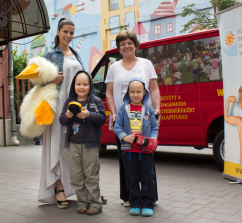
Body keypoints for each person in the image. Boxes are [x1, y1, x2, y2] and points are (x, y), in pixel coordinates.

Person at [105, 30, 160, 207]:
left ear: (135, 45)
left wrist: (157, 108)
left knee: (146, 158)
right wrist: (114, 113)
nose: (126, 46)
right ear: (119, 48)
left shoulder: (145, 64)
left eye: (129, 43)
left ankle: (149, 196)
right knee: (126, 159)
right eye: (122, 44)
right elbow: (109, 93)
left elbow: (153, 88)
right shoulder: (114, 67)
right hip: (123, 120)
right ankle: (129, 196)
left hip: (144, 119)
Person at [38, 18, 84, 208]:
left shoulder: (76, 54)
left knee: (72, 148)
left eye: (72, 32)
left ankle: (77, 187)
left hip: (74, 106)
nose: (68, 36)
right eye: (65, 31)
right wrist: (50, 78)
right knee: (57, 146)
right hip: (57, 106)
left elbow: (82, 80)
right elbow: (38, 83)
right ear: (58, 32)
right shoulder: (50, 55)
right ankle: (58, 188)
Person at [59, 71, 106, 215]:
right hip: (73, 144)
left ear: (90, 85)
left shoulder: (96, 101)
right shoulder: (69, 102)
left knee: (91, 174)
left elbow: (103, 119)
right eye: (78, 84)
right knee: (76, 175)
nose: (81, 87)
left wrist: (89, 115)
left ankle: (95, 203)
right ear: (74, 85)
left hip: (90, 145)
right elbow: (61, 120)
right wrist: (66, 116)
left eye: (85, 84)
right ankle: (82, 202)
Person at [114, 78, 159, 217]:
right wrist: (123, 137)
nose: (135, 94)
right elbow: (117, 127)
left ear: (144, 92)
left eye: (138, 91)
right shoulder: (123, 109)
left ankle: (147, 203)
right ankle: (134, 203)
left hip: (145, 152)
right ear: (128, 93)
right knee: (131, 178)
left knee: (147, 178)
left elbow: (154, 128)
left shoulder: (149, 110)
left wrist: (152, 139)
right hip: (128, 152)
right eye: (132, 92)